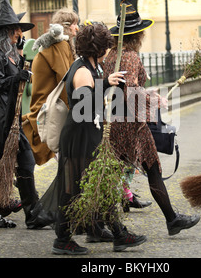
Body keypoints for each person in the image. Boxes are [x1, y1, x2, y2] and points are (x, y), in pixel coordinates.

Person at [47, 21, 147, 255]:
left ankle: (109, 231)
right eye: (107, 47)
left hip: (85, 132)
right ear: (100, 48)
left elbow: (90, 93)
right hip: (80, 135)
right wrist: (104, 91)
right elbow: (84, 107)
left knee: (99, 183)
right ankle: (63, 240)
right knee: (74, 188)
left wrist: (106, 82)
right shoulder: (82, 71)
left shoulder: (89, 67)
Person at [103, 0, 200, 236]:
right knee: (153, 169)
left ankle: (98, 224)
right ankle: (171, 220)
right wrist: (151, 101)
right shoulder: (132, 57)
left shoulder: (112, 55)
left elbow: (122, 89)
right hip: (132, 125)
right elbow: (131, 93)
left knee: (111, 172)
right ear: (138, 35)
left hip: (113, 122)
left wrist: (147, 95)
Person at [0, 0, 48, 229]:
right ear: (7, 32)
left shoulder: (8, 54)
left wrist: (20, 65)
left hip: (10, 120)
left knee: (11, 166)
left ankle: (28, 213)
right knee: (9, 166)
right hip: (0, 122)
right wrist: (16, 77)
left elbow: (10, 79)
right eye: (16, 31)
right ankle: (31, 214)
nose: (19, 33)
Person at [22, 8, 79, 166]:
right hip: (50, 108)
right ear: (66, 26)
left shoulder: (61, 45)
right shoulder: (59, 46)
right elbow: (66, 78)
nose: (77, 28)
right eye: (74, 24)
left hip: (51, 106)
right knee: (62, 154)